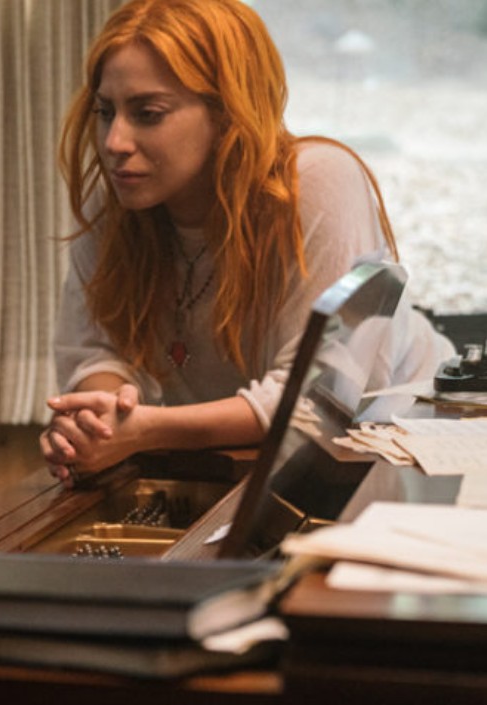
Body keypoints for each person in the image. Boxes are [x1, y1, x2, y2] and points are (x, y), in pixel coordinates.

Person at [40, 0, 451, 483]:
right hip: (249, 463)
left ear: (227, 112)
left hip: (418, 443)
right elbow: (93, 350)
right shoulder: (115, 199)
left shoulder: (318, 182)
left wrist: (146, 430)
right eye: (105, 112)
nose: (114, 142)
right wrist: (102, 419)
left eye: (148, 113)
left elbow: (317, 400)